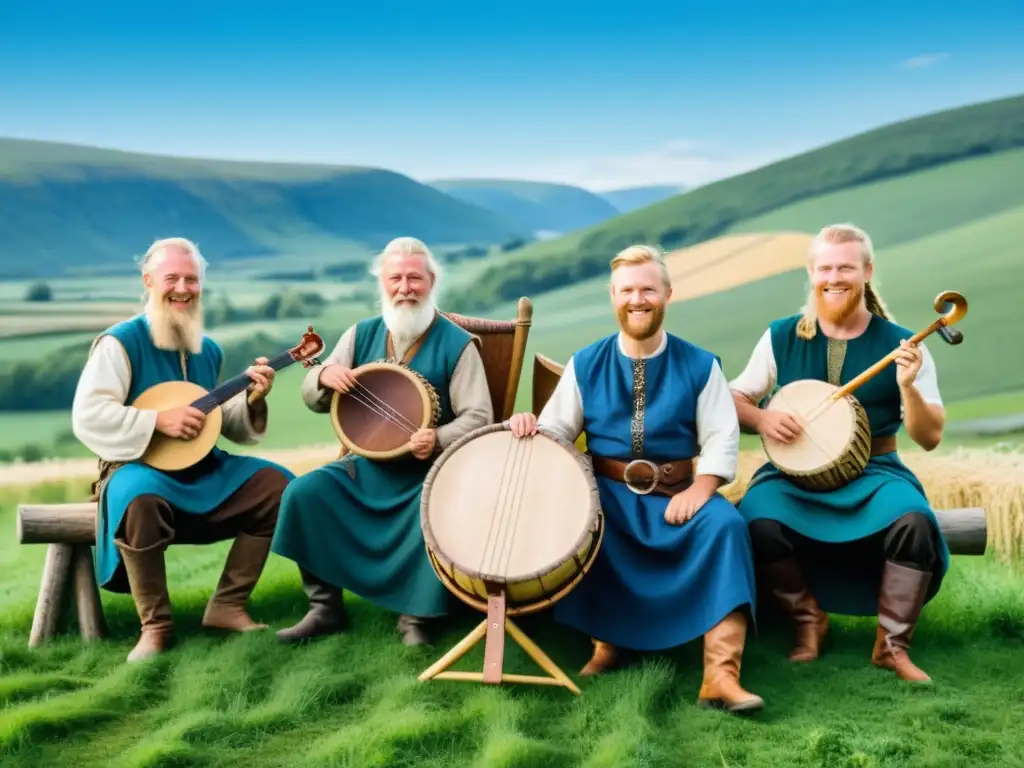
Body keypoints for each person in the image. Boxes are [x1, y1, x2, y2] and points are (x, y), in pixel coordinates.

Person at [507, 244, 763, 713]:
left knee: (726, 528)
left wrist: (702, 489)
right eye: (627, 290)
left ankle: (721, 676)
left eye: (648, 289)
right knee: (586, 525)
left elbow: (722, 439)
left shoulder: (701, 364)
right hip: (607, 495)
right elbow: (557, 431)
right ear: (613, 296)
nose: (637, 299)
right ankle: (607, 648)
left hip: (680, 492)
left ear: (668, 294)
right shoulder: (586, 363)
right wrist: (530, 426)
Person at [729, 223, 948, 684]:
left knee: (915, 521)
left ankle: (892, 647)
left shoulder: (905, 345)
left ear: (866, 272)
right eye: (825, 267)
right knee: (755, 519)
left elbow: (929, 437)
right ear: (811, 273)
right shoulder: (781, 336)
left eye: (846, 267)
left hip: (873, 471)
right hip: (792, 476)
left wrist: (907, 387)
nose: (835, 277)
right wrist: (764, 419)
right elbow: (733, 398)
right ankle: (809, 622)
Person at [71, 237, 295, 663]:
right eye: (171, 277)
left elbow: (213, 420)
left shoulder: (206, 348)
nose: (182, 287)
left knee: (278, 486)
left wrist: (251, 399)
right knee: (138, 497)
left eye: (191, 279)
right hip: (137, 465)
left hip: (201, 466)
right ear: (149, 280)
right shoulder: (119, 343)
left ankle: (227, 605)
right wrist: (157, 420)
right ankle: (155, 626)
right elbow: (88, 414)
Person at [272, 236, 494, 647]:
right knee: (305, 492)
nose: (405, 288)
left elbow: (480, 417)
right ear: (382, 284)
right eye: (396, 278)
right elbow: (312, 398)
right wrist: (321, 376)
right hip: (366, 466)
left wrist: (439, 437)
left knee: (430, 506)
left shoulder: (457, 343)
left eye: (415, 278)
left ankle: (417, 617)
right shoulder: (361, 334)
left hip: (428, 470)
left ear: (431, 282)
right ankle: (325, 608)